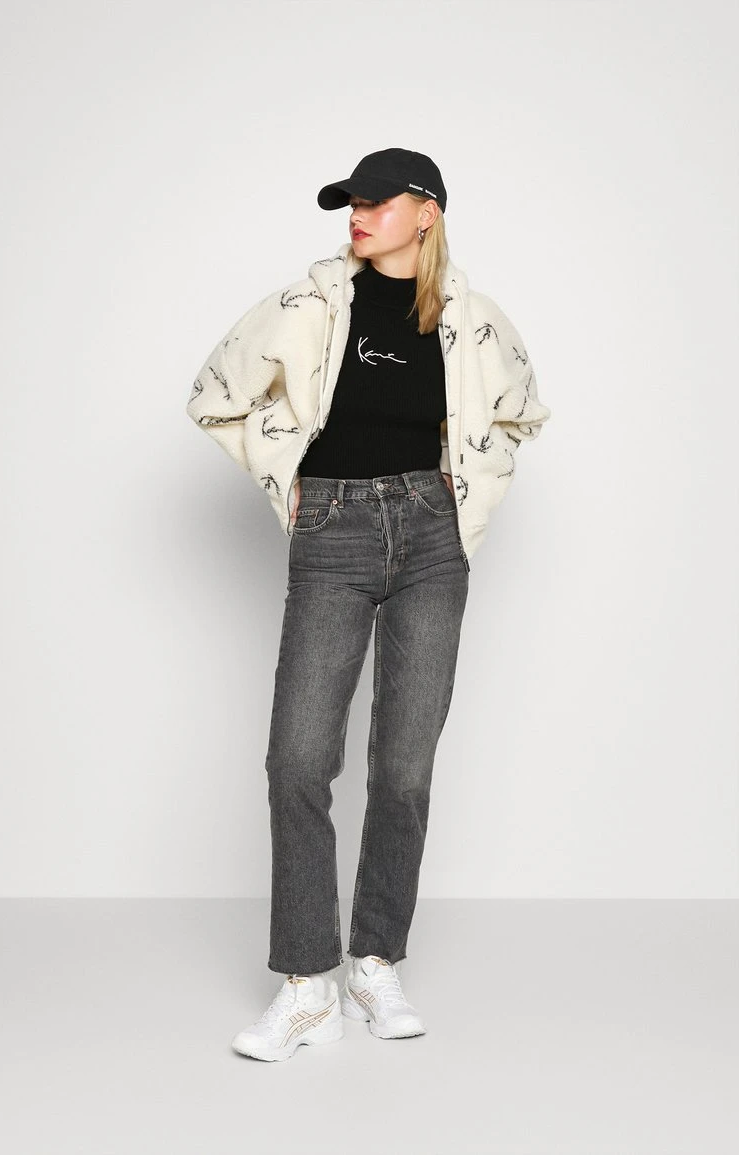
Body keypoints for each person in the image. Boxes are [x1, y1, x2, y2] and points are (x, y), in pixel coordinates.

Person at [186, 148, 551, 1061]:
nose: (358, 211)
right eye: (350, 200)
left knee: (405, 769)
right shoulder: (307, 304)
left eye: (378, 200)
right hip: (333, 528)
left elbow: (521, 414)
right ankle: (306, 982)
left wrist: (467, 490)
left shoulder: (472, 319)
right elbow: (214, 395)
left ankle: (374, 960)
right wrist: (287, 471)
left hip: (433, 533)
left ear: (426, 212)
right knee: (298, 758)